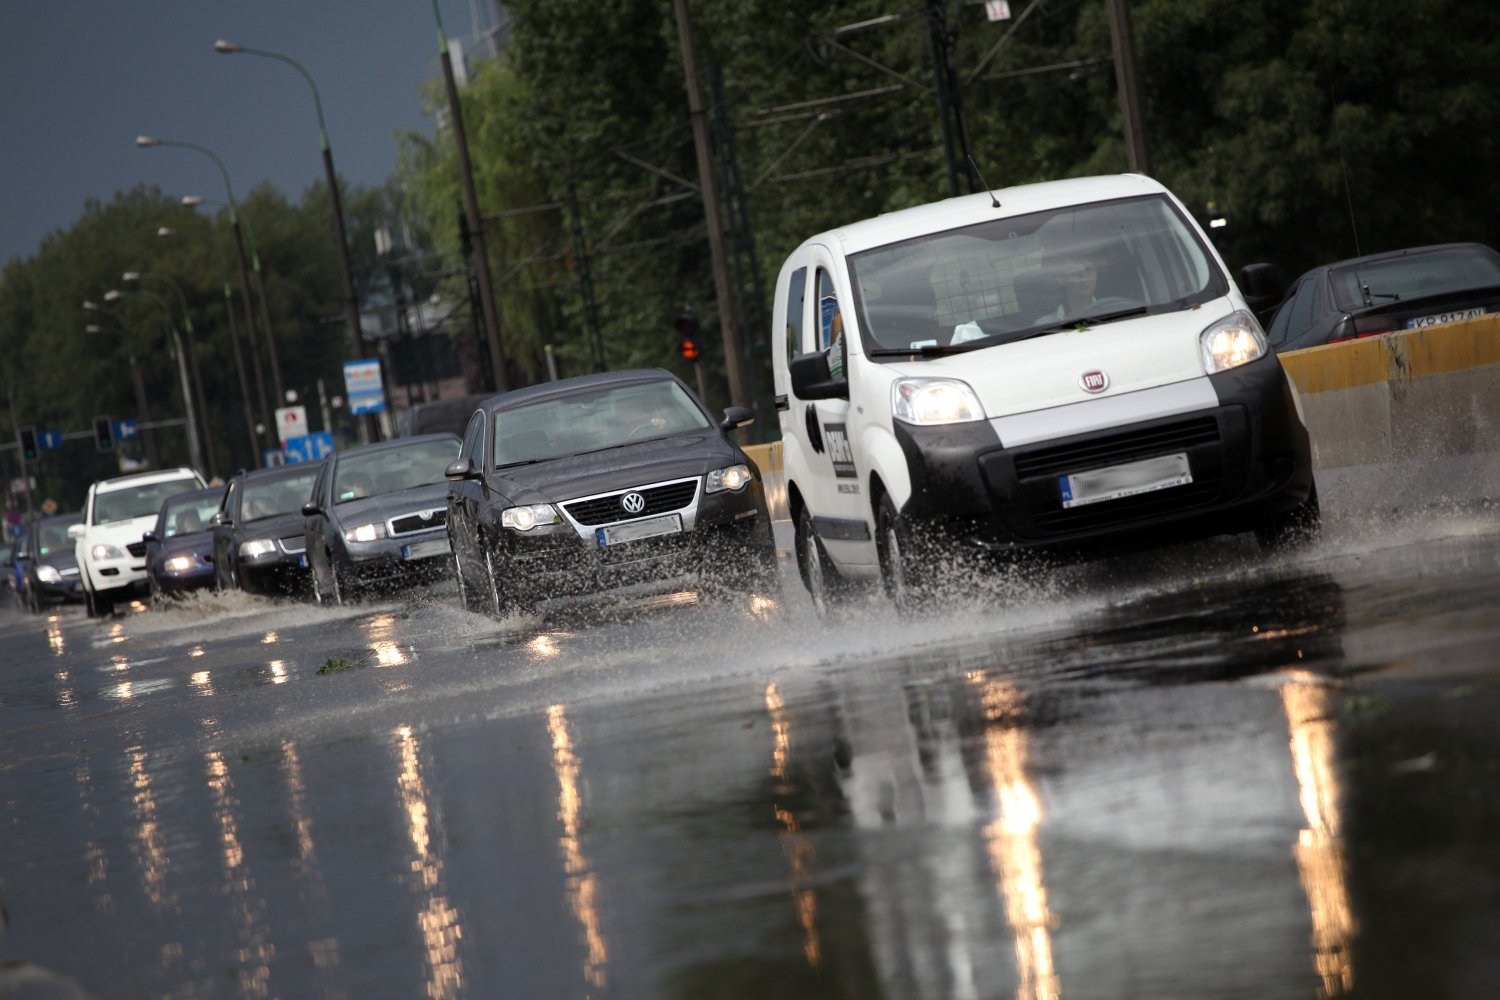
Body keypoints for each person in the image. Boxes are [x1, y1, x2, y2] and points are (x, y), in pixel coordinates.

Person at [1035, 258, 1099, 324]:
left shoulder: (1109, 312)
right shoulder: (1045, 323)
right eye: (1074, 273)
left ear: (1096, 275)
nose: (1084, 279)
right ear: (1061, 280)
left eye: (1089, 271)